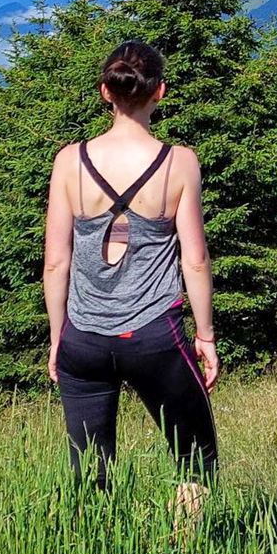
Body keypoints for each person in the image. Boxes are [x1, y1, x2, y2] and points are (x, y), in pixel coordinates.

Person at [42, 39, 219, 524]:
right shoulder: (179, 162)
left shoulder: (69, 161)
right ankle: (182, 552)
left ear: (106, 91)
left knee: (90, 469)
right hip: (154, 335)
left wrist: (59, 339)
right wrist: (205, 336)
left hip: (83, 336)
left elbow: (55, 263)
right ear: (160, 91)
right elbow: (195, 260)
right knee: (195, 457)